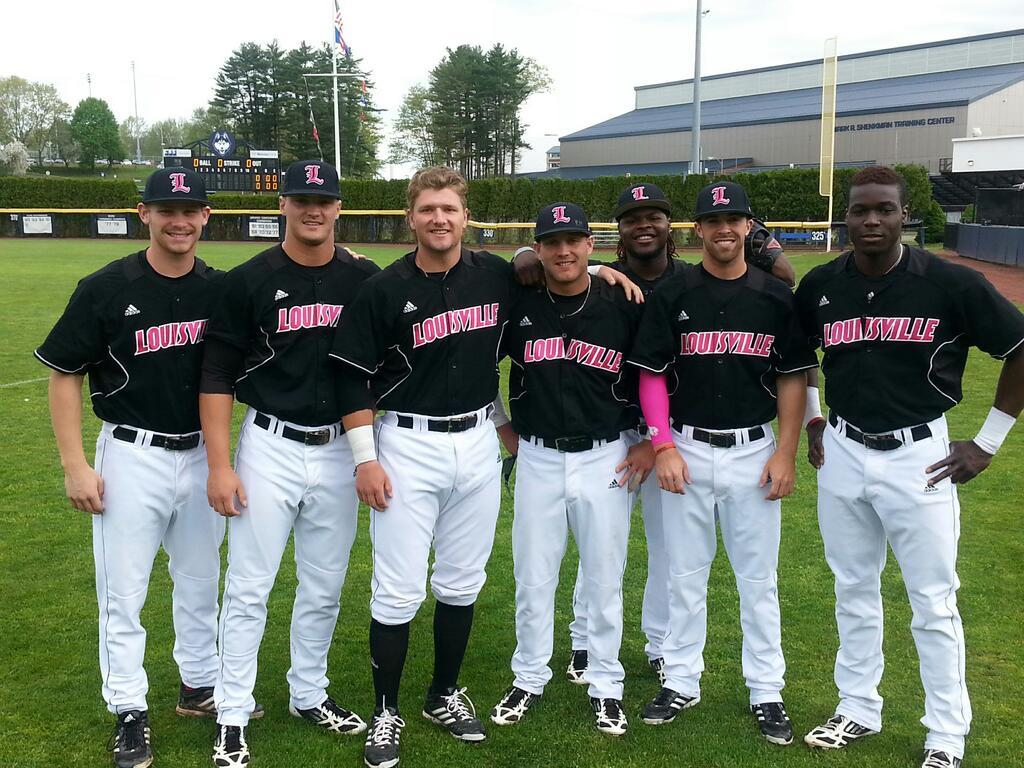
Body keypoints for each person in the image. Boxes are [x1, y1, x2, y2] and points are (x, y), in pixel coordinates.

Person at [329, 167, 640, 768]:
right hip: (405, 443)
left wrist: (601, 269)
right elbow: (351, 374)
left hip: (475, 442)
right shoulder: (384, 288)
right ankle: (386, 711)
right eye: (427, 210)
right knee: (396, 590)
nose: (439, 219)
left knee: (461, 580)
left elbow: (555, 269)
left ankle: (443, 694)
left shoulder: (498, 276)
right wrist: (364, 459)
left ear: (466, 217)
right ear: (410, 217)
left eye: (449, 208)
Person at [513, 182, 805, 687]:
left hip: (663, 438)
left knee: (669, 548)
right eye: (631, 217)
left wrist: (658, 439)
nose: (643, 224)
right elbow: (530, 262)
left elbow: (784, 313)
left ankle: (661, 645)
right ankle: (583, 640)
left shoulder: (689, 278)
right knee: (599, 543)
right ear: (616, 231)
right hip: (623, 438)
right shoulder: (607, 277)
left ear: (672, 226)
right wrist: (544, 256)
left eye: (654, 216)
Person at [796, 166, 1024, 768]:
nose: (872, 220)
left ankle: (946, 733)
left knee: (932, 599)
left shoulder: (950, 282)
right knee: (853, 589)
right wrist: (815, 417)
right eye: (860, 210)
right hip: (843, 451)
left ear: (904, 216)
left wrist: (988, 441)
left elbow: (1020, 347)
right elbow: (797, 358)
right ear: (846, 216)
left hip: (922, 455)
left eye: (885, 210)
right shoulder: (821, 284)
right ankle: (856, 708)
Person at [35, 167, 230, 768]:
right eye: (165, 209)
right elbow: (64, 373)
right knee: (124, 592)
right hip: (131, 455)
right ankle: (129, 708)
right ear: (143, 213)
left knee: (200, 583)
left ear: (204, 218)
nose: (179, 220)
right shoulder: (105, 286)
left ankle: (198, 684)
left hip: (202, 454)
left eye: (190, 210)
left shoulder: (221, 289)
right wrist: (73, 465)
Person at [199, 160, 378, 768]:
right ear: (283, 205)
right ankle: (230, 713)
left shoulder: (363, 278)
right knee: (249, 587)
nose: (313, 209)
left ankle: (309, 693)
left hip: (338, 450)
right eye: (302, 198)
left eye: (324, 199)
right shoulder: (249, 279)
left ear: (337, 209)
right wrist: (220, 466)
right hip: (269, 446)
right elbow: (218, 373)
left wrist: (593, 269)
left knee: (324, 587)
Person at [629, 180, 817, 745]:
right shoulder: (675, 293)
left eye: (734, 219)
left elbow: (792, 377)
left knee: (757, 580)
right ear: (698, 231)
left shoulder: (775, 296)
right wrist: (662, 444)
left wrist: (785, 452)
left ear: (748, 228)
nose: (724, 229)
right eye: (713, 221)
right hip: (686, 449)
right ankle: (682, 680)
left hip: (754, 450)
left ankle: (767, 690)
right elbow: (652, 372)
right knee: (684, 576)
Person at [489, 202, 651, 735]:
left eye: (573, 240)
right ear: (537, 248)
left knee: (605, 577)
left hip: (606, 452)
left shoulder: (621, 299)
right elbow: (470, 365)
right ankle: (528, 676)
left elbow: (652, 371)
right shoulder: (519, 301)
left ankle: (606, 683)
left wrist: (651, 439)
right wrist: (502, 426)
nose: (563, 250)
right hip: (535, 454)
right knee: (533, 576)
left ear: (591, 245)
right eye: (551, 241)